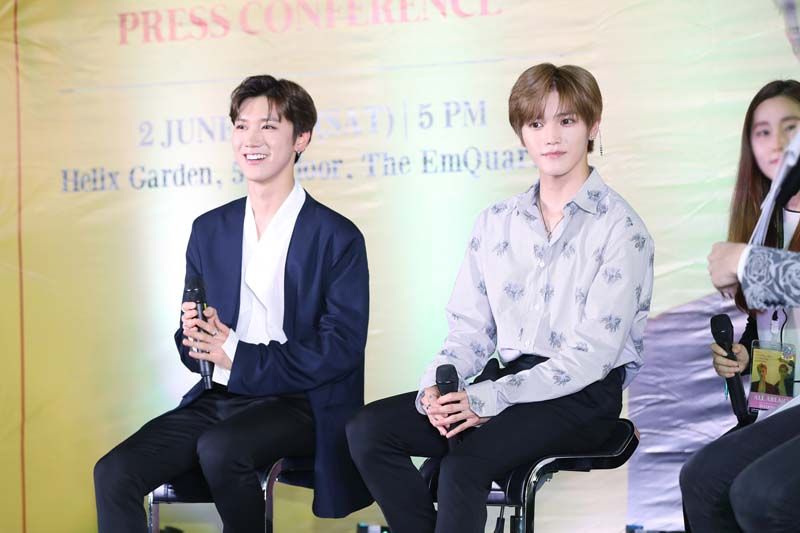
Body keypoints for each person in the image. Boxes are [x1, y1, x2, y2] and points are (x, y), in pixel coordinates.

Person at [346, 63, 654, 533]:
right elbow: (470, 330)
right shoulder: (496, 222)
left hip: (583, 395)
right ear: (521, 134)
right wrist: (437, 389)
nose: (551, 136)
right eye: (536, 123)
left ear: (593, 126)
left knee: (464, 463)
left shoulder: (622, 229)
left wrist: (488, 399)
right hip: (506, 382)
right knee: (369, 430)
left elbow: (591, 357)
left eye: (567, 120)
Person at [93, 75, 372, 532]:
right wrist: (197, 341)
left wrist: (238, 355)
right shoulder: (210, 230)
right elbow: (193, 344)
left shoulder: (337, 236)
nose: (251, 140)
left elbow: (340, 347)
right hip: (220, 396)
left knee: (221, 448)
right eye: (241, 126)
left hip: (300, 402)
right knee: (114, 472)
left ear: (301, 138)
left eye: (268, 126)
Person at [681, 80, 800, 532]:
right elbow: (782, 330)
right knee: (700, 480)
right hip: (785, 405)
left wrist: (747, 261)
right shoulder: (768, 217)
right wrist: (750, 355)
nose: (778, 142)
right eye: (763, 132)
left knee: (760, 493)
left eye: (791, 127)